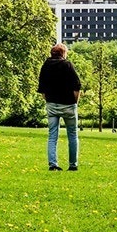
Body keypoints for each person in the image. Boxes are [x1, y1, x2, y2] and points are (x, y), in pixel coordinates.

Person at [38, 42, 82, 171]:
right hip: (68, 104)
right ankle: (73, 165)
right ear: (64, 53)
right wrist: (75, 102)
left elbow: (42, 89)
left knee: (52, 136)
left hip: (52, 104)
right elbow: (77, 86)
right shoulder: (67, 65)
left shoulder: (46, 66)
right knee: (73, 135)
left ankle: (53, 164)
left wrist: (48, 100)